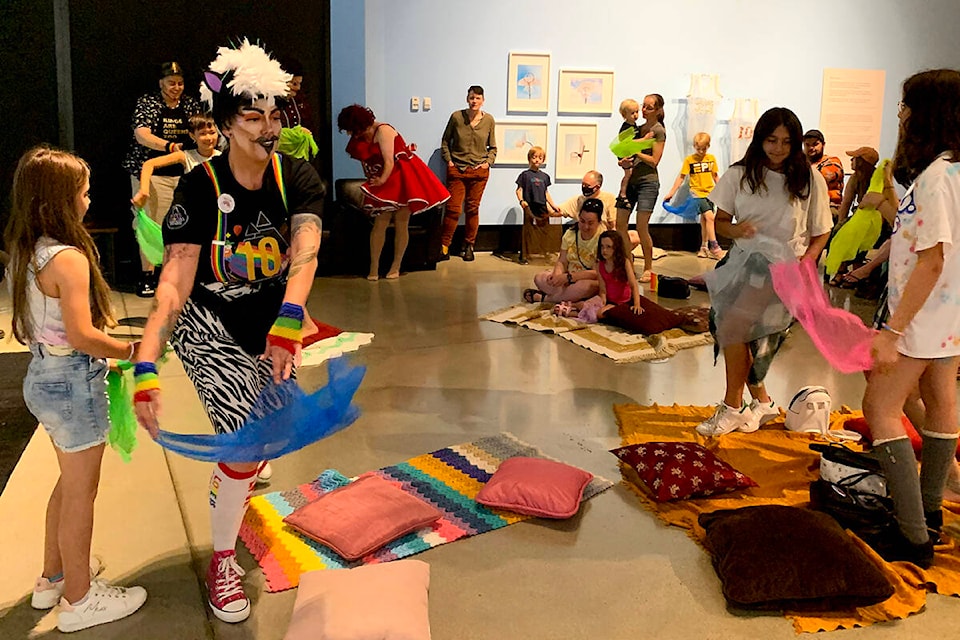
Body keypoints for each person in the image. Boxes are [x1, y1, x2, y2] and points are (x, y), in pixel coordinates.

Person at [133, 40, 325, 623]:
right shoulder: (198, 188)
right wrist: (146, 361)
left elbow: (305, 250)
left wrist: (290, 317)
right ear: (224, 123)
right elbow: (175, 280)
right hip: (208, 325)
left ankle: (245, 464)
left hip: (270, 321)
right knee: (244, 445)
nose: (268, 128)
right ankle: (222, 562)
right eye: (252, 116)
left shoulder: (296, 177)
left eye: (275, 115)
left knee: (267, 432)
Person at [6, 146, 147, 632]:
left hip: (42, 379)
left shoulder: (29, 250)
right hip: (71, 383)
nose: (89, 200)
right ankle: (80, 600)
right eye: (83, 193)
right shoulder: (68, 259)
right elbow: (84, 335)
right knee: (82, 492)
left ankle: (54, 576)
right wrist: (133, 351)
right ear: (60, 200)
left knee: (69, 484)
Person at [860, 69, 960, 567]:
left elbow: (932, 258)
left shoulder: (937, 177)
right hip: (949, 315)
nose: (900, 114)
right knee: (942, 401)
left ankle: (912, 534)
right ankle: (931, 513)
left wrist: (893, 330)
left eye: (905, 104)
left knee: (880, 406)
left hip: (921, 315)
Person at [696, 107, 832, 437]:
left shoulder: (809, 177)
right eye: (772, 140)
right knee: (738, 334)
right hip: (742, 264)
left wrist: (807, 262)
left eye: (787, 142)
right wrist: (737, 230)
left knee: (735, 328)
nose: (779, 148)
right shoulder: (738, 174)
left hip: (784, 269)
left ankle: (732, 407)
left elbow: (821, 230)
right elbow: (722, 224)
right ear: (760, 139)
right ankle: (763, 402)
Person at [338, 104, 450, 280]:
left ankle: (395, 266)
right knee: (380, 222)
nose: (352, 134)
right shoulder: (359, 134)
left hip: (401, 175)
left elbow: (389, 162)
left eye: (354, 130)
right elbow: (363, 159)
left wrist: (381, 180)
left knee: (401, 222)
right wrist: (371, 178)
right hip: (382, 174)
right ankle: (373, 267)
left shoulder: (384, 131)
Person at [122, 62, 202, 297]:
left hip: (182, 172)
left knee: (178, 224)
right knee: (149, 224)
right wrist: (168, 146)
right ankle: (147, 276)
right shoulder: (149, 103)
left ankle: (172, 274)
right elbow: (141, 134)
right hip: (151, 171)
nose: (176, 87)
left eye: (180, 83)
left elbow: (199, 127)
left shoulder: (189, 104)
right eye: (171, 83)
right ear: (161, 83)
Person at [556, 230, 683, 335]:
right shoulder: (599, 264)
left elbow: (633, 285)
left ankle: (571, 312)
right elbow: (603, 288)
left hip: (622, 301)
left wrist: (637, 304)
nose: (604, 250)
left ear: (616, 248)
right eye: (602, 247)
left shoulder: (624, 263)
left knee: (598, 313)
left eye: (608, 247)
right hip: (608, 298)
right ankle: (574, 305)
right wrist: (602, 300)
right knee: (590, 304)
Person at [440, 85, 497, 262]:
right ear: (467, 99)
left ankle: (469, 245)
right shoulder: (457, 117)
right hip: (457, 170)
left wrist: (488, 163)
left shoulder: (489, 120)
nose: (474, 101)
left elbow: (493, 147)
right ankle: (444, 246)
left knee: (472, 209)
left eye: (478, 98)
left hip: (478, 172)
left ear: (483, 101)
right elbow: (445, 141)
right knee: (453, 209)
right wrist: (449, 161)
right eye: (472, 98)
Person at [616, 94, 666, 282]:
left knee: (641, 226)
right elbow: (622, 149)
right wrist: (623, 159)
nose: (643, 110)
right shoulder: (636, 128)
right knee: (620, 224)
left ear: (658, 110)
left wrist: (634, 148)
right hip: (631, 180)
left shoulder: (657, 130)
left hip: (648, 182)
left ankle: (648, 267)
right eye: (642, 106)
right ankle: (627, 264)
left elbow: (654, 161)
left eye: (648, 107)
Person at [132, 113, 221, 208]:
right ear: (192, 136)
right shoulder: (186, 156)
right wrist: (143, 190)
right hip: (193, 205)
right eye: (202, 134)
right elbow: (149, 164)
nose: (208, 138)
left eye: (212, 133)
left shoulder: (223, 156)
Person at [523, 198, 603, 304]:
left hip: (585, 280)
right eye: (582, 221)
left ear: (599, 222)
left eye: (590, 223)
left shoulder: (603, 238)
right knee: (540, 278)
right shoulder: (570, 234)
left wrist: (569, 278)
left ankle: (546, 299)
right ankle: (567, 297)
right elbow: (562, 260)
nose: (585, 227)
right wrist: (557, 275)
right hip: (568, 278)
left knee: (586, 287)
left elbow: (597, 273)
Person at [664, 132, 723, 259]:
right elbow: (681, 177)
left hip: (710, 193)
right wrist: (672, 192)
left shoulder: (711, 159)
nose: (701, 151)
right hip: (697, 194)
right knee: (710, 217)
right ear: (694, 146)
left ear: (708, 146)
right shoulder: (689, 160)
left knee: (705, 221)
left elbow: (715, 175)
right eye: (698, 149)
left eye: (704, 148)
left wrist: (724, 190)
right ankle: (715, 246)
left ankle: (704, 246)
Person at [515, 146, 559, 264]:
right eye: (534, 157)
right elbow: (519, 190)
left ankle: (543, 252)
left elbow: (546, 193)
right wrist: (521, 201)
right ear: (529, 159)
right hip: (529, 206)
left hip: (542, 206)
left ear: (543, 160)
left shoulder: (545, 177)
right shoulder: (525, 175)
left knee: (545, 230)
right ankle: (524, 255)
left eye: (540, 158)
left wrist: (553, 205)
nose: (537, 160)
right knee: (528, 231)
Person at [802, 129, 845, 221]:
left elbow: (823, 177)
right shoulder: (802, 164)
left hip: (829, 207)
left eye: (815, 144)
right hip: (806, 208)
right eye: (807, 145)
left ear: (823, 145)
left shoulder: (833, 162)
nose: (811, 148)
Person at [615, 99, 641, 202]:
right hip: (625, 154)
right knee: (628, 173)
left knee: (630, 173)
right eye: (632, 113)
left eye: (637, 112)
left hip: (630, 153)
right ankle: (623, 193)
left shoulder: (633, 126)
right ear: (624, 114)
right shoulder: (626, 128)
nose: (635, 115)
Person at [279, 57, 312, 131]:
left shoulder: (300, 99)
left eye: (299, 83)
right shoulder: (270, 104)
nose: (298, 88)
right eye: (294, 83)